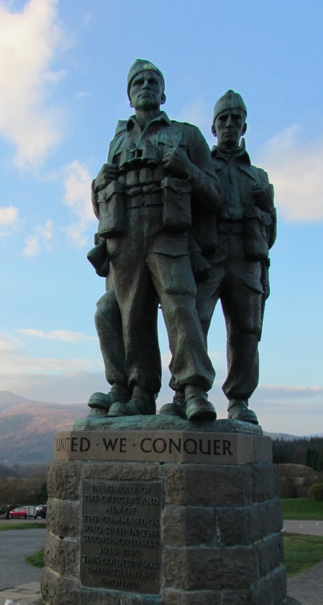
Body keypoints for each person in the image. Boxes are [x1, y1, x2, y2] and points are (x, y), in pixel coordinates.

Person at [88, 60, 222, 421]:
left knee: (181, 306)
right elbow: (101, 203)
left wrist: (187, 169)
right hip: (126, 234)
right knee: (132, 315)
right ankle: (140, 392)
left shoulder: (187, 135)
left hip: (168, 230)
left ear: (163, 93)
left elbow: (216, 195)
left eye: (153, 81)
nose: (145, 86)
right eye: (138, 83)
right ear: (129, 96)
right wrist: (98, 184)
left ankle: (193, 389)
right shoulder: (118, 141)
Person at [194, 90, 276, 424]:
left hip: (247, 257)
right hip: (210, 254)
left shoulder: (259, 176)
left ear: (244, 126)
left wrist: (267, 205)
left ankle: (239, 399)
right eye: (223, 119)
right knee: (193, 322)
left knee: (246, 330)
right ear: (213, 128)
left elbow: (271, 232)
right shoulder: (202, 166)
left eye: (236, 119)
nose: (229, 124)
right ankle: (191, 390)